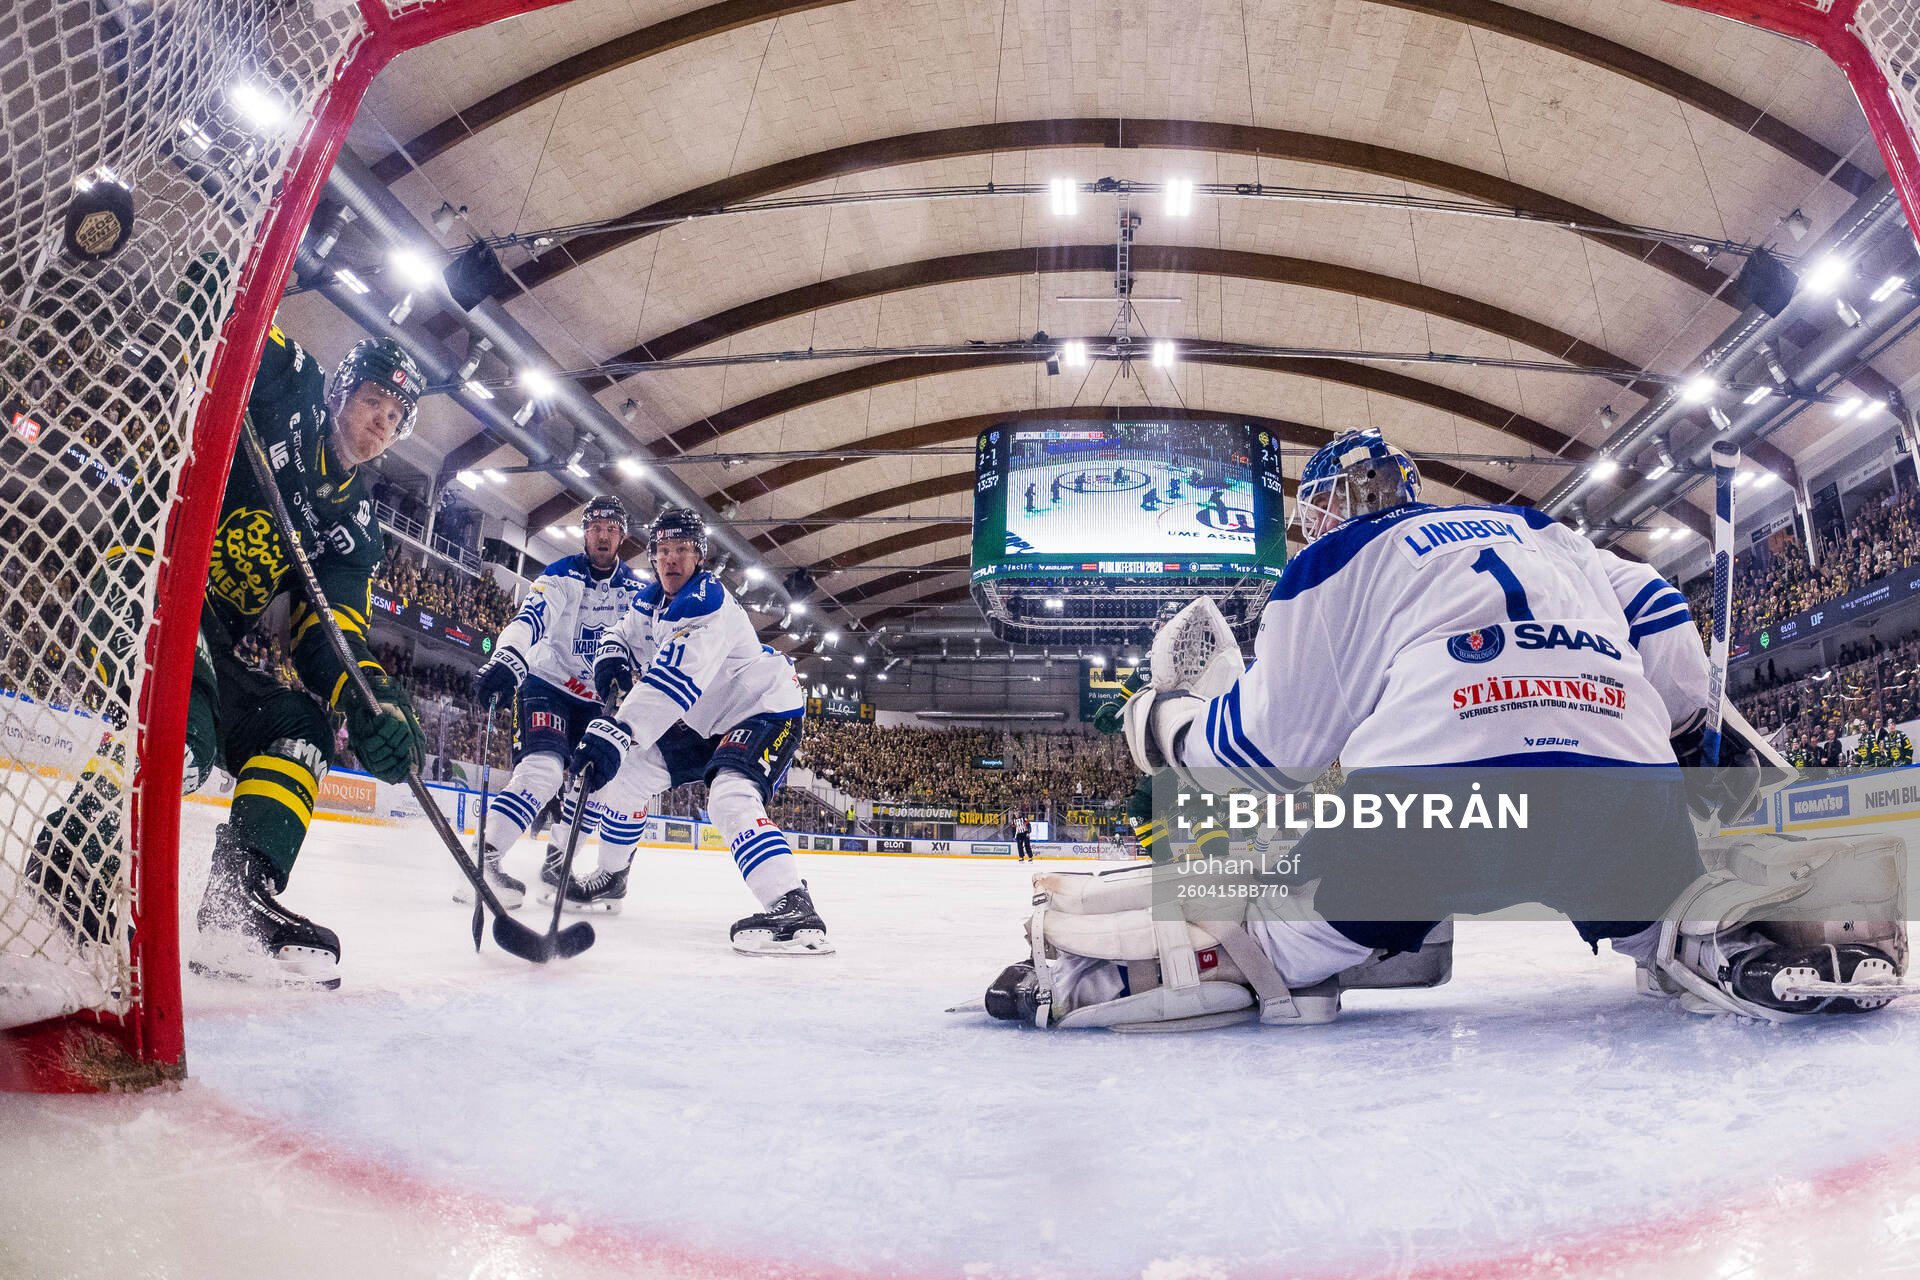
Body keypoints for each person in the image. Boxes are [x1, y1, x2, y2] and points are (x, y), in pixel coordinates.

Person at [984, 429, 1898, 1029]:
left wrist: (1164, 722)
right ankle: (1716, 935)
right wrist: (1689, 729)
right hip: (1623, 804)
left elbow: (1258, 758)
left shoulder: (1338, 560)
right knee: (1650, 903)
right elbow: (1667, 633)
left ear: (1327, 506)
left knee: (1281, 935)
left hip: (1437, 818)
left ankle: (1130, 975)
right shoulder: (1544, 532)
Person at [31, 333, 430, 989]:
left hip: (211, 638)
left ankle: (235, 906)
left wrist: (373, 702)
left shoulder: (355, 522)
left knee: (299, 725)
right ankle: (75, 850)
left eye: (396, 414)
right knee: (188, 726)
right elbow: (226, 322)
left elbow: (331, 636)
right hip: (146, 579)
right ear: (340, 390)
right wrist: (210, 296)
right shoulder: (293, 380)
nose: (383, 420)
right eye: (374, 398)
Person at [566, 508, 829, 955]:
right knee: (628, 776)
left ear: (699, 557)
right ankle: (612, 877)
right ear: (652, 558)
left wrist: (617, 730)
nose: (671, 560)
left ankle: (792, 904)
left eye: (682, 551)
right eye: (663, 551)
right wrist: (611, 657)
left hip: (762, 708)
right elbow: (622, 633)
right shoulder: (650, 602)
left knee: (729, 795)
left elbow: (673, 683)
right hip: (705, 719)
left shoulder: (705, 602)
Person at [463, 495, 647, 908]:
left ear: (622, 537)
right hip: (548, 684)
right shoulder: (562, 574)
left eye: (612, 529)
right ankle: (483, 859)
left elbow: (651, 645)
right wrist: (509, 657)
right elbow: (531, 618)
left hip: (601, 701)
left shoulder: (638, 590)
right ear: (584, 533)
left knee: (603, 781)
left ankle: (561, 864)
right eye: (596, 528)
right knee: (543, 771)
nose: (603, 535)